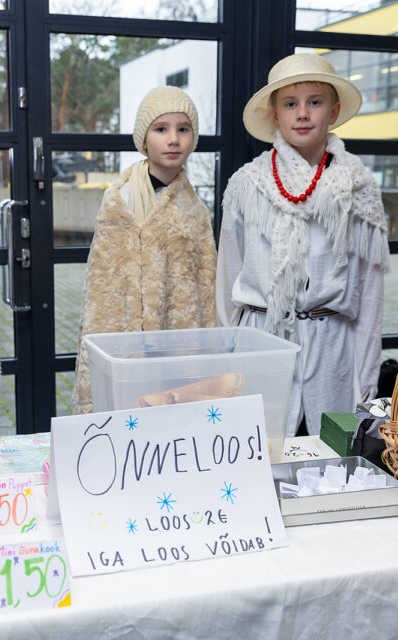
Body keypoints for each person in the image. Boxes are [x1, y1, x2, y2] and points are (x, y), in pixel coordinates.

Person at [216, 52, 389, 436]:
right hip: (261, 342)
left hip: (333, 348)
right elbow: (227, 282)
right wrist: (227, 363)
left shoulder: (358, 189)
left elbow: (370, 296)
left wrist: (366, 381)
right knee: (259, 448)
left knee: (329, 455)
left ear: (334, 111)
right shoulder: (246, 184)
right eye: (291, 104)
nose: (303, 114)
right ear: (275, 115)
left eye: (315, 102)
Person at [72, 85, 217, 414]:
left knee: (173, 416)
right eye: (161, 129)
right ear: (143, 140)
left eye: (183, 129)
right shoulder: (121, 200)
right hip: (126, 338)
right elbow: (103, 285)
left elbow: (204, 286)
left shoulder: (195, 210)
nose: (173, 139)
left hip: (176, 342)